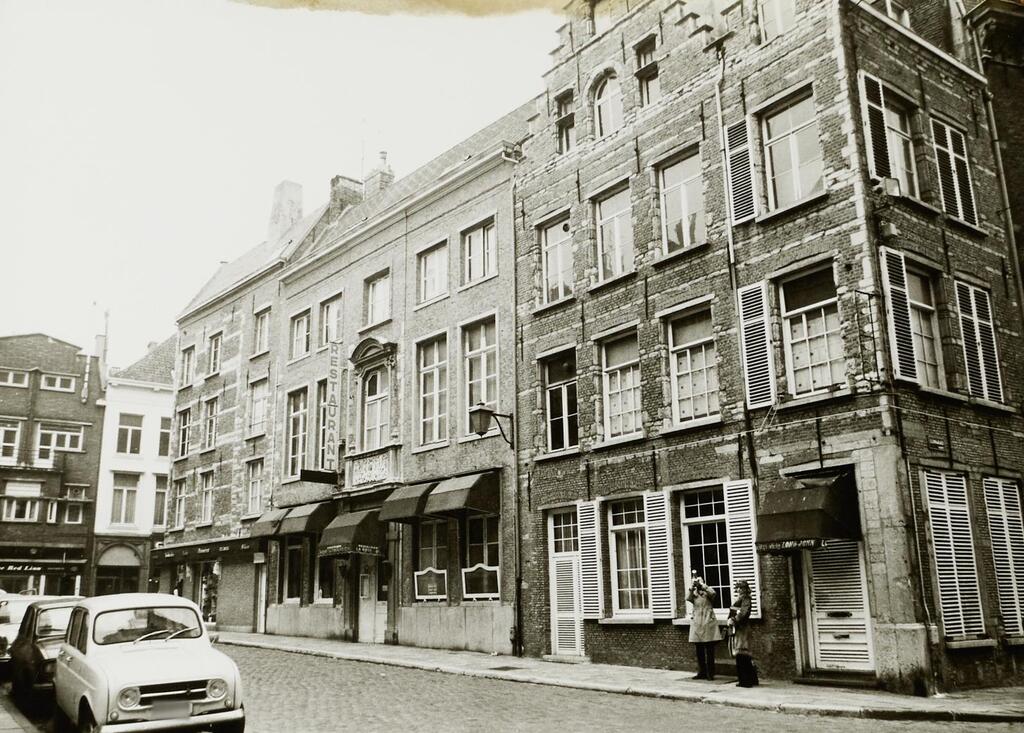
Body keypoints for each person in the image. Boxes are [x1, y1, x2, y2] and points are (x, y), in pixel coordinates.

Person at [686, 575, 721, 680]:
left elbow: (713, 593)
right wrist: (692, 587)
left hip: (707, 622)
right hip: (697, 623)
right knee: (699, 650)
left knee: (709, 650)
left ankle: (710, 673)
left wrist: (702, 586)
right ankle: (702, 672)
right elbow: (688, 598)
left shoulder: (708, 593)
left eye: (699, 582)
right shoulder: (694, 594)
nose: (698, 584)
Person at [727, 579, 758, 687]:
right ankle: (751, 679)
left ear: (745, 589)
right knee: (743, 655)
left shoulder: (746, 599)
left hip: (742, 628)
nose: (739, 590)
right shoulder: (740, 598)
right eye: (738, 588)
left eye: (741, 588)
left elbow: (743, 613)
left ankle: (745, 681)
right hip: (739, 628)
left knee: (742, 654)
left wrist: (734, 620)